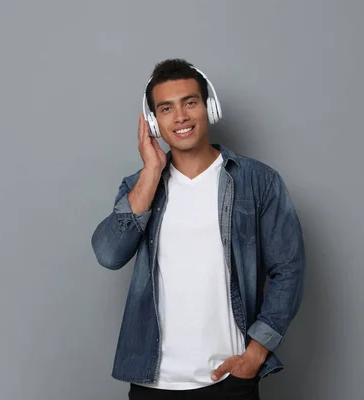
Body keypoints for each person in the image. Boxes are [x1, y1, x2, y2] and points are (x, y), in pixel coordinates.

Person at [91, 59, 305, 400]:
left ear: (209, 107)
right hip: (152, 383)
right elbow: (108, 253)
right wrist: (151, 171)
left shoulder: (257, 181)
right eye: (166, 108)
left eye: (190, 102)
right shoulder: (139, 187)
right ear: (153, 122)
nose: (180, 117)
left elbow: (289, 269)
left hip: (229, 380)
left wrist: (256, 354)